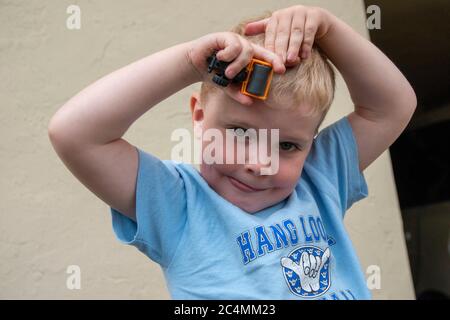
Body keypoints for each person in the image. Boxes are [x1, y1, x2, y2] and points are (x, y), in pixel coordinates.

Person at [48, 5, 417, 299]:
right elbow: (76, 134)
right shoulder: (179, 203)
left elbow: (392, 105)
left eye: (288, 145)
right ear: (199, 115)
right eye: (240, 133)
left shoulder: (319, 181)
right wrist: (190, 64)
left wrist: (328, 28)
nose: (259, 164)